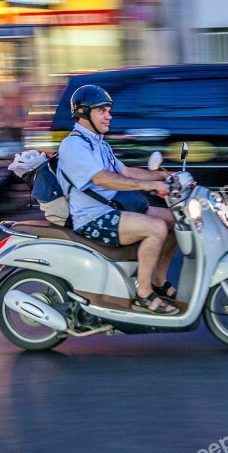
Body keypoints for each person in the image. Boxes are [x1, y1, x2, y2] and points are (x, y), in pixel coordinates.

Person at [57, 84, 180, 316]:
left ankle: (157, 281)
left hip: (112, 209)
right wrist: (150, 186)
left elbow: (124, 173)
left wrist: (163, 175)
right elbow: (102, 179)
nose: (108, 115)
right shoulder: (74, 146)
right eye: (102, 110)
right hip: (93, 218)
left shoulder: (99, 143)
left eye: (108, 110)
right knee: (156, 228)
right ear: (83, 113)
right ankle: (143, 295)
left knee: (178, 221)